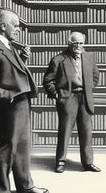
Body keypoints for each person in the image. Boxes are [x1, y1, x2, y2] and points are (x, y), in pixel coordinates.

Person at [0, 9, 48, 193]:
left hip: (22, 102)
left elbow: (12, 74)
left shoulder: (8, 45)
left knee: (23, 146)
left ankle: (25, 185)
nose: (18, 29)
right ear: (3, 26)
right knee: (7, 148)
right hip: (9, 105)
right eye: (15, 25)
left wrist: (23, 60)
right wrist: (10, 96)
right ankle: (2, 192)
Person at [43, 31, 101, 173]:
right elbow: (48, 80)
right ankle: (61, 161)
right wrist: (57, 95)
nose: (79, 46)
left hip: (85, 98)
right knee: (65, 131)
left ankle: (88, 163)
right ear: (70, 43)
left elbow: (95, 76)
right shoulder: (58, 59)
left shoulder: (89, 57)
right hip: (68, 98)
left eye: (81, 43)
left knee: (86, 131)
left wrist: (88, 87)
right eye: (76, 43)